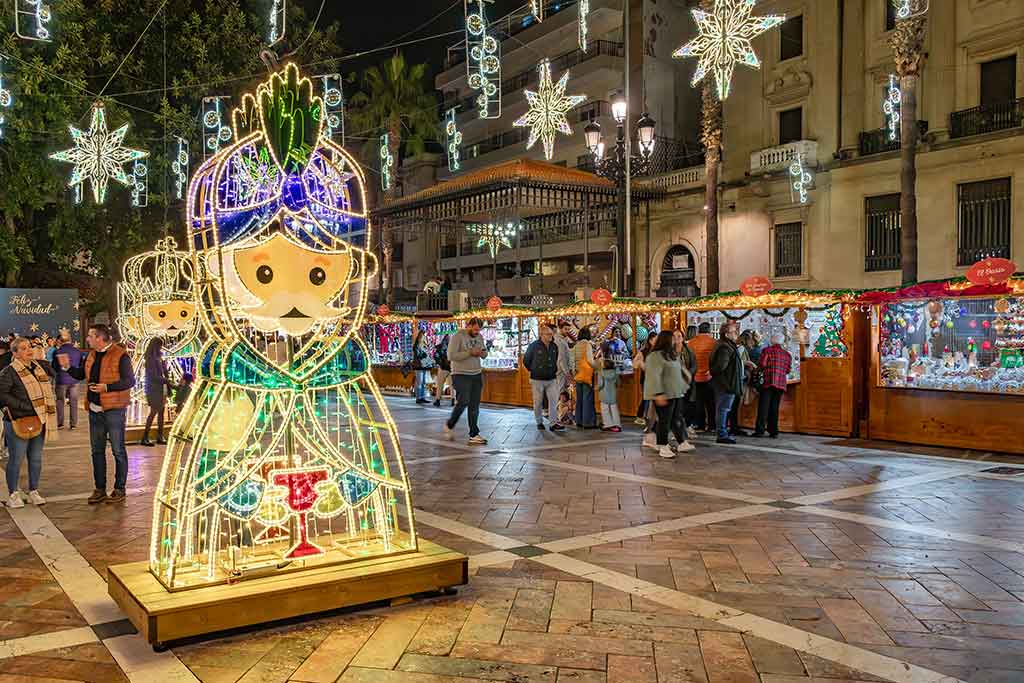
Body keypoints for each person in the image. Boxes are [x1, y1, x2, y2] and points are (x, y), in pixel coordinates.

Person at [65, 324, 136, 504]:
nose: (87, 339)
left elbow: (129, 381)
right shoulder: (91, 355)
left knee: (118, 450)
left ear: (100, 338)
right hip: (95, 409)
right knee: (96, 451)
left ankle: (119, 489)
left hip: (114, 410)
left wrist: (107, 387)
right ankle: (100, 489)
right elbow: (82, 374)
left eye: (90, 336)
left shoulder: (120, 355)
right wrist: (67, 368)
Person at [0, 337, 56, 507]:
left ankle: (33, 491)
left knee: (36, 458)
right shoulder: (8, 372)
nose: (29, 350)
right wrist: (25, 406)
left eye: (29, 347)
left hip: (40, 418)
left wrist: (44, 360)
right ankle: (13, 494)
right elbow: (2, 395)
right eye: (23, 348)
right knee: (16, 459)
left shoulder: (39, 368)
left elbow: (55, 374)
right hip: (18, 420)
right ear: (15, 353)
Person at [642, 330, 695, 458]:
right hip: (664, 393)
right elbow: (654, 376)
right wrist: (658, 393)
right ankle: (662, 445)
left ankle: (681, 442)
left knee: (676, 419)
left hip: (675, 393)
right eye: (672, 338)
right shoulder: (655, 356)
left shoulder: (671, 354)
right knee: (664, 421)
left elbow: (677, 373)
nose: (674, 340)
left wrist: (684, 386)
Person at [444, 317, 488, 444]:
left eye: (479, 330)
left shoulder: (479, 337)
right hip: (460, 374)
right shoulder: (458, 336)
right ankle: (450, 424)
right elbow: (451, 356)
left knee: (474, 404)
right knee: (464, 401)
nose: (476, 332)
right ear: (468, 325)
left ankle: (474, 434)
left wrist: (482, 353)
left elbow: (485, 353)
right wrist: (469, 352)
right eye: (474, 329)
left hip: (476, 373)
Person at [523, 324, 564, 432]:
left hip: (551, 378)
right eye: (548, 334)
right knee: (538, 401)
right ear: (542, 335)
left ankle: (553, 423)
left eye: (551, 334)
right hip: (537, 379)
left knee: (554, 401)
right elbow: (526, 360)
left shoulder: (554, 346)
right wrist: (534, 370)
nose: (551, 336)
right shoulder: (533, 346)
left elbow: (556, 359)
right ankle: (539, 422)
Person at [710, 322, 744, 445]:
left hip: (724, 383)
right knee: (723, 409)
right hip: (726, 384)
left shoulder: (725, 345)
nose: (736, 334)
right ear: (727, 334)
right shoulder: (725, 347)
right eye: (734, 332)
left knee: (723, 408)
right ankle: (722, 434)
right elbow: (720, 366)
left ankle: (722, 432)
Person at [754, 333, 792, 438]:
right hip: (780, 383)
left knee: (763, 407)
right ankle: (773, 431)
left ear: (772, 340)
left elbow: (762, 364)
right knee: (774, 408)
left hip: (768, 381)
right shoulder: (787, 354)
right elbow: (788, 370)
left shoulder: (767, 351)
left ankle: (760, 431)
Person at [688, 322, 717, 432]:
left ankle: (700, 425)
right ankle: (712, 426)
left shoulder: (691, 343)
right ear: (709, 330)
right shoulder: (714, 343)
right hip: (709, 377)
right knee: (711, 403)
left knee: (698, 402)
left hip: (695, 377)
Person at [141, 338, 170, 447]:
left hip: (161, 388)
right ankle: (145, 437)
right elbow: (153, 376)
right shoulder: (150, 359)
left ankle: (160, 435)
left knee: (161, 412)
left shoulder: (159, 357)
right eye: (159, 346)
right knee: (153, 412)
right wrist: (167, 381)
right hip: (154, 388)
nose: (161, 348)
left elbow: (163, 372)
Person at [54, 330, 83, 430]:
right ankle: (73, 424)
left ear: (60, 341)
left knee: (60, 401)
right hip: (75, 380)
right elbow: (80, 366)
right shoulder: (78, 351)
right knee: (74, 401)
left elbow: (54, 366)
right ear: (71, 340)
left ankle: (60, 423)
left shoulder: (57, 351)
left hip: (61, 380)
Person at [674, 329, 698, 441]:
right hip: (675, 383)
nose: (677, 339)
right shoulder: (670, 352)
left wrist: (688, 373)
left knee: (689, 405)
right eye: (675, 336)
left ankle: (687, 426)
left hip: (688, 382)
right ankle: (678, 430)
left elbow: (694, 365)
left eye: (679, 336)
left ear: (683, 338)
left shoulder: (688, 350)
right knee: (678, 407)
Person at [572, 327, 597, 429]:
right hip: (586, 375)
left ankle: (579, 420)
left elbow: (572, 360)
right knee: (587, 398)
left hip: (578, 375)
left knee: (579, 399)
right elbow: (590, 361)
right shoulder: (587, 344)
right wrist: (598, 367)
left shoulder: (576, 345)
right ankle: (588, 422)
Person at [633, 335, 656, 427]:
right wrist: (642, 365)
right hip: (646, 378)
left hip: (655, 378)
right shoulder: (643, 352)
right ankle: (642, 417)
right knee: (646, 398)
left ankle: (647, 418)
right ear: (650, 340)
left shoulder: (658, 351)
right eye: (655, 339)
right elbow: (635, 364)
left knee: (650, 399)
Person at [597, 343, 621, 432]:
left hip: (604, 392)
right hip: (613, 391)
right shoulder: (614, 361)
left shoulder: (601, 365)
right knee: (614, 408)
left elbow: (600, 383)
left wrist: (597, 388)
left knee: (605, 408)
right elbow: (618, 378)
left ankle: (608, 424)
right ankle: (617, 424)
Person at [433, 334, 454, 407]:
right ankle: (453, 400)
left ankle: (438, 400)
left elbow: (436, 356)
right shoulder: (453, 347)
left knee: (440, 385)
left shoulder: (440, 347)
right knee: (452, 385)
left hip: (443, 368)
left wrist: (440, 363)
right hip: (451, 368)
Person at [411, 327, 431, 404]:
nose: (424, 337)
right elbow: (417, 355)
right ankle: (418, 397)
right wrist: (423, 354)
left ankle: (422, 397)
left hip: (424, 365)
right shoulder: (416, 345)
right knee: (419, 382)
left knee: (423, 382)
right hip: (418, 365)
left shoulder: (423, 345)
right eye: (423, 336)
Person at [554, 320, 573, 392]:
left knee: (563, 390)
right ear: (560, 329)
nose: (567, 331)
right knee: (561, 390)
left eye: (568, 329)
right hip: (561, 370)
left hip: (563, 369)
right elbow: (561, 358)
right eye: (565, 329)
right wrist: (567, 372)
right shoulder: (559, 341)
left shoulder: (564, 339)